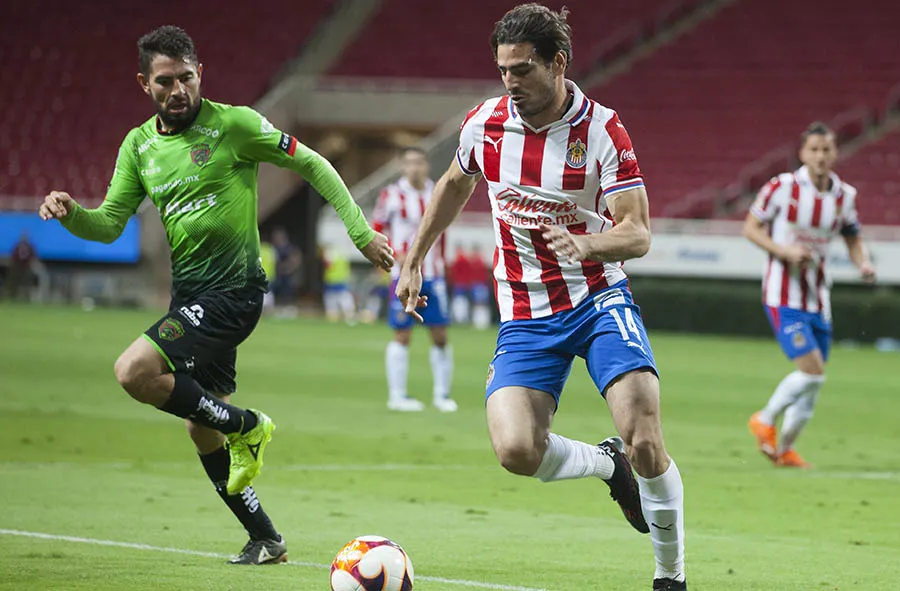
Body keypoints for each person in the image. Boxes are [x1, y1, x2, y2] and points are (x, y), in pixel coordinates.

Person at [37, 26, 393, 565]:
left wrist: (360, 232)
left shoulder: (235, 125)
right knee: (200, 425)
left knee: (133, 371)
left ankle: (249, 427)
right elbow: (110, 225)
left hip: (235, 292)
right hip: (190, 296)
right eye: (165, 81)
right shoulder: (140, 146)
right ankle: (266, 539)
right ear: (144, 83)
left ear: (200, 72)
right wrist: (72, 215)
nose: (177, 89)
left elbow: (313, 164)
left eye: (186, 77)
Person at [395, 5, 686, 589]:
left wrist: (590, 243)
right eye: (503, 69)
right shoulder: (485, 124)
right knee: (516, 450)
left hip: (599, 299)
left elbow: (639, 232)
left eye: (522, 69)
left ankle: (669, 574)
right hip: (526, 313)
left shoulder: (602, 130)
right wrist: (416, 253)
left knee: (647, 439)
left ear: (558, 63)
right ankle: (607, 465)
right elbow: (455, 183)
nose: (510, 81)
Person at [745, 122, 875, 468]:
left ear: (835, 153)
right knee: (813, 372)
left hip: (819, 297)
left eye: (826, 149)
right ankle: (765, 419)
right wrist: (783, 251)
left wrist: (863, 264)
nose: (820, 156)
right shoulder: (781, 187)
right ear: (803, 153)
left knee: (813, 383)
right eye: (814, 149)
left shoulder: (845, 195)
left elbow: (852, 237)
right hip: (782, 293)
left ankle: (783, 450)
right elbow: (750, 227)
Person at [373, 147, 457, 413]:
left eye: (419, 162)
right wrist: (390, 256)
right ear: (402, 166)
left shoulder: (438, 192)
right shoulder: (391, 195)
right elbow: (376, 228)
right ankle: (397, 396)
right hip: (403, 276)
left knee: (440, 334)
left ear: (427, 165)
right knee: (402, 334)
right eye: (409, 163)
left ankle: (442, 395)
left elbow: (444, 232)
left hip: (434, 273)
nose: (414, 168)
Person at [5, 231, 37, 301]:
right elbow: (13, 256)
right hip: (17, 267)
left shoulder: (30, 247)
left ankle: (25, 298)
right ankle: (11, 297)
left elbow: (33, 257)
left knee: (26, 283)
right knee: (13, 282)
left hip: (26, 267)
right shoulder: (17, 246)